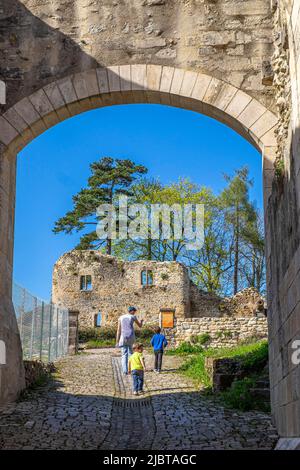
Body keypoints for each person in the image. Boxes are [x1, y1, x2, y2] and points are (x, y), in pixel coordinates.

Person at [116, 306, 143, 375]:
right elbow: (140, 326)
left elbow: (118, 330)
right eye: (134, 311)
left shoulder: (121, 317)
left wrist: (117, 341)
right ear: (132, 311)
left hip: (123, 337)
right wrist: (141, 322)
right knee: (131, 354)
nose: (134, 312)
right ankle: (132, 369)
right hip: (131, 336)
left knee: (124, 354)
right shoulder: (133, 317)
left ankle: (125, 371)